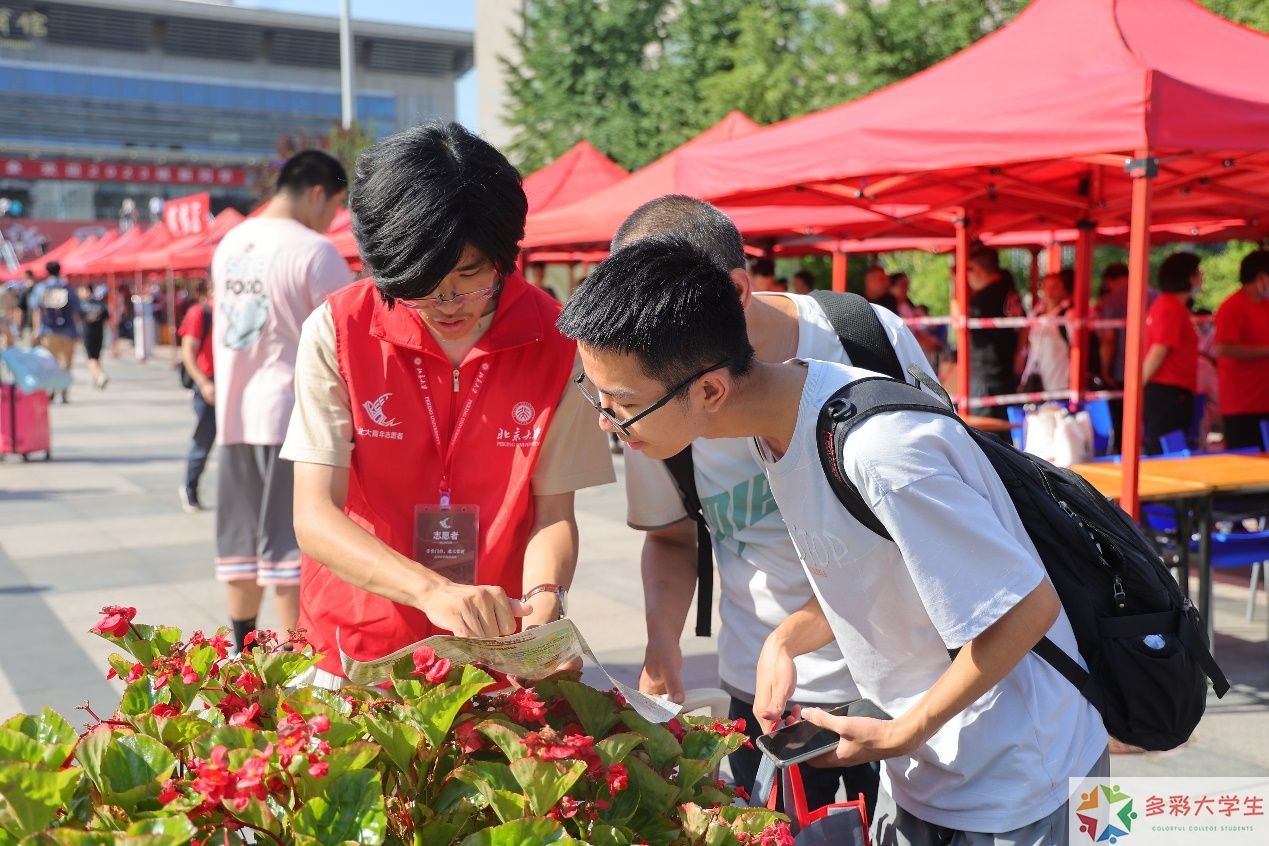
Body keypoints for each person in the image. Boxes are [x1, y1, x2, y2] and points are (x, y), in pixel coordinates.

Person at [558, 235, 1108, 846]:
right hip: (938, 772)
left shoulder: (882, 452)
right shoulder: (782, 422)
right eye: (596, 393)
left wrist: (904, 731)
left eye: (623, 403)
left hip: (1019, 780)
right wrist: (788, 638)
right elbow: (882, 567)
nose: (607, 421)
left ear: (710, 391)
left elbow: (1026, 608)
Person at [614, 196, 932, 815]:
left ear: (736, 292)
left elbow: (930, 527)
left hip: (901, 689)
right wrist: (661, 649)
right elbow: (673, 537)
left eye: (655, 320)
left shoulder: (861, 340)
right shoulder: (648, 395)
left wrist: (790, 637)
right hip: (760, 697)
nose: (641, 347)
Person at [282, 122, 614, 687]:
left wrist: (542, 602)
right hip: (356, 642)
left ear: (504, 255)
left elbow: (553, 512)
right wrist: (430, 590)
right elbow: (315, 516)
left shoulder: (558, 342)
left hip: (489, 648)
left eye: (470, 274)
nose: (450, 302)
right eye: (424, 283)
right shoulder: (338, 330)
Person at [211, 149, 354, 653]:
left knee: (241, 544)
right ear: (317, 192)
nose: (333, 218)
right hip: (294, 417)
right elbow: (350, 334)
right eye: (336, 205)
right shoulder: (315, 251)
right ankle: (298, 656)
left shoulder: (229, 244)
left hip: (233, 412)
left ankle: (242, 648)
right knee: (294, 547)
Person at [1143, 252, 1202, 454]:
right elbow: (1159, 350)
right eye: (1198, 273)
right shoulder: (1170, 307)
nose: (1202, 277)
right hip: (1169, 395)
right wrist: (1136, 387)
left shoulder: (1168, 306)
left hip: (1170, 394)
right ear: (1188, 277)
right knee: (1166, 453)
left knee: (1167, 450)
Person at [1213, 249, 1269, 450]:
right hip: (1242, 405)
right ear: (1262, 277)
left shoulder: (1265, 305)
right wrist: (1265, 351)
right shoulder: (1232, 307)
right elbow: (1224, 347)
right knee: (1246, 463)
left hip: (1264, 399)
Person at [966, 248, 1024, 418]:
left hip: (985, 377)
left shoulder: (981, 300)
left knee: (983, 437)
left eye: (968, 270)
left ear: (978, 269)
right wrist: (1018, 358)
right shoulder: (1011, 294)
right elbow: (1024, 327)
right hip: (1006, 374)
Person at [178, 281, 215, 512]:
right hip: (209, 384)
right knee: (203, 442)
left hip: (235, 386)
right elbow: (187, 351)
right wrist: (203, 382)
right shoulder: (200, 312)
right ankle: (190, 487)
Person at [28, 260, 81, 403]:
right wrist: (77, 331)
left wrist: (36, 330)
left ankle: (50, 389)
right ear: (60, 271)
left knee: (49, 362)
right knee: (66, 364)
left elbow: (37, 310)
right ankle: (64, 392)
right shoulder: (68, 288)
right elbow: (76, 312)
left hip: (47, 331)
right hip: (68, 331)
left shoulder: (41, 288)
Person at [1018, 269, 1072, 394]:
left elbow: (1074, 350)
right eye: (1046, 287)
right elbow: (1025, 344)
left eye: (1055, 287)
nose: (1050, 291)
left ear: (1064, 289)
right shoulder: (1035, 314)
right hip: (1034, 381)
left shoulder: (1068, 316)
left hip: (1059, 382)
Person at [76, 284, 110, 390]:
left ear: (87, 291)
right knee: (97, 356)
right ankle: (95, 379)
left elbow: (76, 319)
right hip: (99, 333)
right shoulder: (101, 304)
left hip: (87, 333)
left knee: (91, 358)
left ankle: (100, 376)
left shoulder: (82, 305)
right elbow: (107, 320)